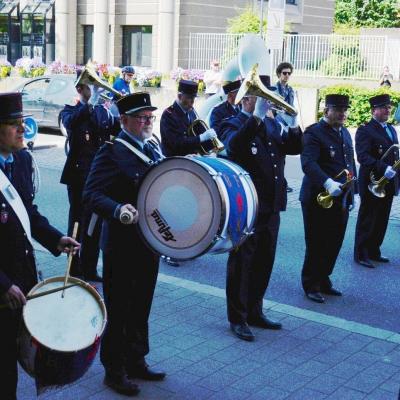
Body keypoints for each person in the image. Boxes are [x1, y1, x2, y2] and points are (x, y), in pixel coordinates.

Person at [83, 92, 166, 396]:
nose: (148, 121)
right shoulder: (111, 151)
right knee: (120, 309)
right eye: (142, 117)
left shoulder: (153, 147)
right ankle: (113, 370)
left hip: (149, 242)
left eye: (150, 116)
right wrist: (118, 209)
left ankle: (136, 359)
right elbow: (91, 194)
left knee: (141, 305)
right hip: (121, 244)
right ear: (124, 120)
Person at [0, 92, 80, 400]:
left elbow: (27, 214)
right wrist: (2, 284)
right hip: (4, 289)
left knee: (17, 359)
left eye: (23, 122)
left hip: (21, 283)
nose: (23, 130)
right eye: (13, 124)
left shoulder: (20, 160)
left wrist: (55, 239)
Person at [219, 80, 303, 342]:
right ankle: (238, 317)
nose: (265, 103)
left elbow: (294, 147)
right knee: (242, 263)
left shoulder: (270, 124)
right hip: (248, 207)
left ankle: (255, 310)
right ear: (246, 99)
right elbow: (233, 146)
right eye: (259, 97)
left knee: (264, 261)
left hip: (272, 205)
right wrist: (255, 117)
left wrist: (293, 123)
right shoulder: (234, 122)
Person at [60, 74, 119, 281]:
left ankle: (90, 268)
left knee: (95, 224)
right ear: (80, 89)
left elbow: (115, 129)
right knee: (77, 222)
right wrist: (89, 103)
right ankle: (74, 267)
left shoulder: (102, 111)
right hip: (78, 176)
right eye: (90, 86)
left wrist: (122, 106)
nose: (95, 90)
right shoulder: (70, 110)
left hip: (98, 177)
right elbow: (71, 124)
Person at [300, 94, 357, 304]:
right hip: (318, 197)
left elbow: (350, 164)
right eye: (338, 110)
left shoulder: (345, 133)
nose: (343, 114)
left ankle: (324, 279)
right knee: (316, 242)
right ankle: (311, 284)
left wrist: (354, 192)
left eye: (344, 110)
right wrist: (327, 182)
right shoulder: (314, 133)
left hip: (340, 198)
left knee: (334, 241)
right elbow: (308, 163)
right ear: (326, 111)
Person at [354, 94, 399, 268]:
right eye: (384, 107)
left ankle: (374, 250)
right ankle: (361, 253)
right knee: (368, 217)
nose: (388, 110)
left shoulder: (391, 129)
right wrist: (382, 168)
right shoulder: (365, 129)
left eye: (388, 107)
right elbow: (363, 156)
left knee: (382, 217)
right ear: (374, 111)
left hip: (388, 181)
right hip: (372, 180)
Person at [160, 79, 218, 157]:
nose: (192, 102)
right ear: (180, 96)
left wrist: (211, 149)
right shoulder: (169, 115)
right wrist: (202, 137)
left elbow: (197, 132)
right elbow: (176, 143)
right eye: (189, 98)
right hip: (173, 161)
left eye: (194, 98)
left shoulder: (191, 112)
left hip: (190, 159)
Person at [275, 62, 296, 194]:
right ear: (279, 74)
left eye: (289, 73)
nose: (287, 75)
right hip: (278, 123)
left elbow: (291, 106)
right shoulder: (274, 88)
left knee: (283, 154)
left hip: (287, 123)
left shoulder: (290, 89)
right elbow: (275, 108)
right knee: (278, 153)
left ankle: (282, 181)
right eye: (284, 73)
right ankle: (281, 182)